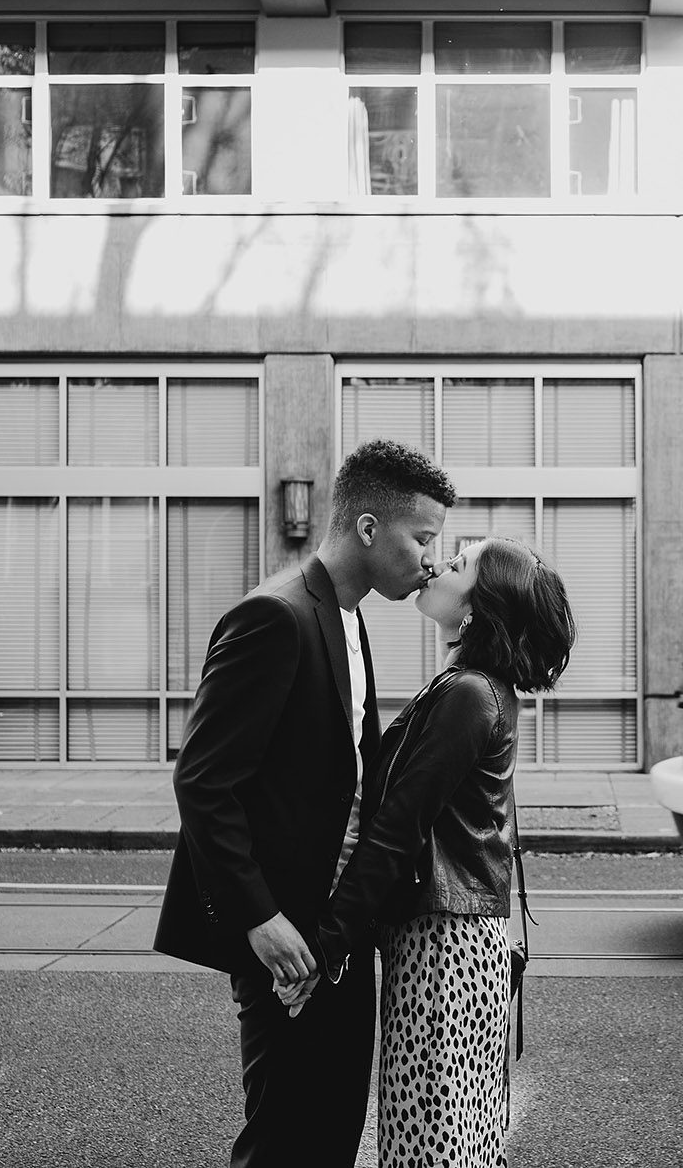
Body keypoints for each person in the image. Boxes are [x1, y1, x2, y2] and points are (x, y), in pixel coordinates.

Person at [153, 440, 455, 1168]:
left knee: (333, 1131)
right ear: (368, 528)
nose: (432, 562)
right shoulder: (276, 616)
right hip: (283, 939)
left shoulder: (349, 620)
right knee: (285, 1140)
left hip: (331, 936)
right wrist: (260, 921)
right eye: (423, 538)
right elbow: (203, 780)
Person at [315, 537, 576, 1168]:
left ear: (477, 608)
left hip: (443, 950)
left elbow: (400, 826)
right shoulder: (474, 687)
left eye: (457, 564)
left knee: (426, 1144)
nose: (437, 563)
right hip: (456, 943)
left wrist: (327, 942)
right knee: (450, 1140)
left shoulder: (470, 695)